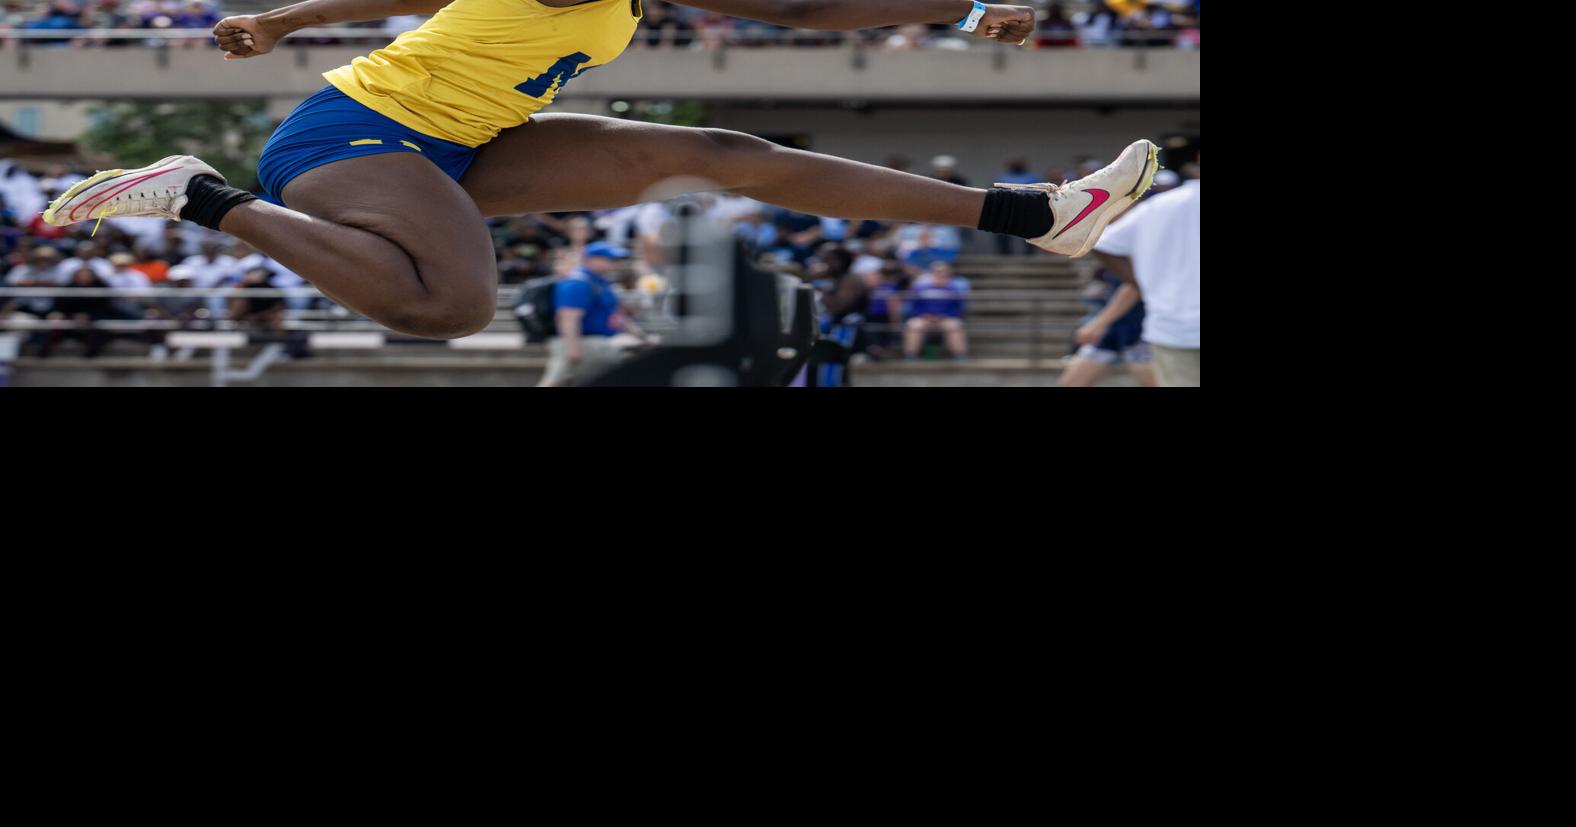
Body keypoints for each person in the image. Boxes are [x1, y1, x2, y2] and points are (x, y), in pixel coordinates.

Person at [43, 0, 1159, 343]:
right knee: (449, 304)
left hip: (470, 139)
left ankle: (1034, 214)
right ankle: (198, 192)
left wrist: (966, 12)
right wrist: (286, 21)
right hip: (352, 136)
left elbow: (797, 10)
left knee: (724, 157)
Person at [1092, 152, 1199, 386]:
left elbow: (1103, 246)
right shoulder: (1155, 211)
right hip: (1161, 324)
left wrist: (1143, 284)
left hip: (1164, 325)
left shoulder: (1155, 209)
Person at [539, 241, 653, 387]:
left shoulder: (601, 282)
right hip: (580, 344)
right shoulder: (578, 283)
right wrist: (572, 348)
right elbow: (568, 317)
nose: (614, 263)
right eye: (609, 259)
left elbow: (616, 316)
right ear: (591, 259)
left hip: (596, 346)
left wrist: (641, 337)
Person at [902, 260, 969, 360]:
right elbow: (914, 305)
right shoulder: (920, 288)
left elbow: (959, 308)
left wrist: (944, 315)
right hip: (924, 318)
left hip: (946, 318)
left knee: (954, 326)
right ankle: (910, 355)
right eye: (937, 272)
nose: (941, 275)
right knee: (913, 325)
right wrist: (924, 315)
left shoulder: (954, 289)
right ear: (932, 274)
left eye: (944, 273)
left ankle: (960, 355)